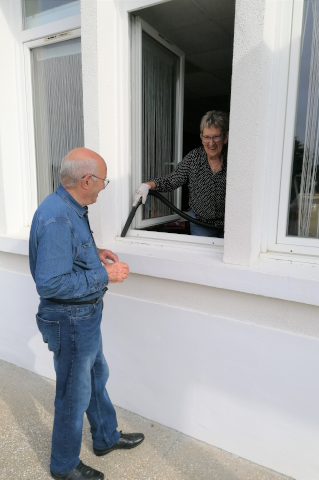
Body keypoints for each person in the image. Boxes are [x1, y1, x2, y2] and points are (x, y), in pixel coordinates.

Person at [29, 148, 144, 480]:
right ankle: (63, 467)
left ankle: (106, 437)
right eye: (103, 181)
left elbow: (69, 253)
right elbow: (50, 283)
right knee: (72, 395)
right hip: (71, 321)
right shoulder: (57, 217)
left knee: (96, 377)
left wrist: (95, 253)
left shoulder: (71, 207)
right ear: (86, 180)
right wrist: (105, 274)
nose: (103, 187)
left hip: (83, 318)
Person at [134, 110, 229, 238]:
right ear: (201, 138)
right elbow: (173, 180)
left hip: (229, 225)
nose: (211, 143)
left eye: (216, 136)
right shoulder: (194, 158)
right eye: (207, 137)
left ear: (225, 137)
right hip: (201, 225)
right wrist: (148, 185)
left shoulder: (233, 160)